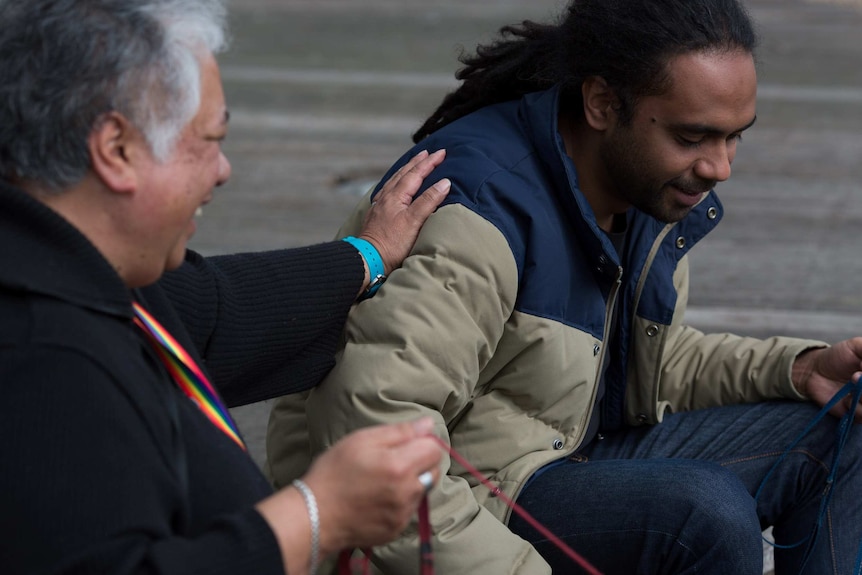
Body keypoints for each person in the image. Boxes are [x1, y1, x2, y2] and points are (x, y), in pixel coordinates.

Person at [266, 0, 862, 573]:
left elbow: (634, 366)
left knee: (844, 423)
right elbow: (376, 434)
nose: (719, 167)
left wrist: (800, 368)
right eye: (692, 137)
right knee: (702, 515)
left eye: (735, 137)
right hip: (459, 507)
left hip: (557, 455)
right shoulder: (475, 215)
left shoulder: (644, 190)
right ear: (603, 102)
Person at [0, 0, 453, 574]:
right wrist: (319, 515)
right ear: (116, 149)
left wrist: (368, 256)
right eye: (209, 139)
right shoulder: (39, 358)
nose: (223, 169)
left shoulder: (75, 265)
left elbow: (222, 308)